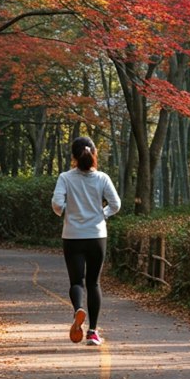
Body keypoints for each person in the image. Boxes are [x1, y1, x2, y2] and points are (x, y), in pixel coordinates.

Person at [51, 136, 121, 346]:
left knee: (76, 281)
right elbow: (116, 204)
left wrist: (65, 213)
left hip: (72, 235)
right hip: (97, 235)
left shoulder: (65, 177)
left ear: (73, 156)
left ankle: (78, 310)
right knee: (94, 282)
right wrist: (103, 214)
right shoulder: (102, 178)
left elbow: (56, 203)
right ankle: (92, 332)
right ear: (94, 154)